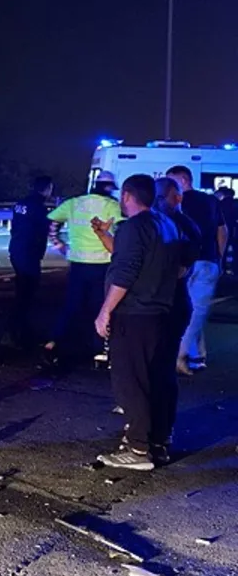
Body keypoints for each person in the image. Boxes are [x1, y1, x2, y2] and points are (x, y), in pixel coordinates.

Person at [93, 174, 188, 470]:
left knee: (130, 381)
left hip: (134, 313)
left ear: (126, 195)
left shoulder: (133, 227)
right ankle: (158, 441)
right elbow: (152, 261)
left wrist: (105, 311)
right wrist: (104, 235)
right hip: (160, 312)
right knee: (157, 378)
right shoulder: (166, 224)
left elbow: (126, 271)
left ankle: (137, 448)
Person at [45, 171, 121, 366]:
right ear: (109, 187)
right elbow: (123, 229)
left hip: (78, 263)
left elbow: (53, 222)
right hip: (102, 265)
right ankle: (98, 349)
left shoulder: (74, 203)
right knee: (100, 307)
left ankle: (54, 341)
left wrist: (58, 243)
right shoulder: (111, 205)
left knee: (71, 305)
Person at [166, 165, 227, 374]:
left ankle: (181, 354)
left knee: (187, 309)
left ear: (183, 180)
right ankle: (195, 354)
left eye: (172, 181)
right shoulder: (211, 201)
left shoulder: (173, 201)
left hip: (182, 262)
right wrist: (219, 258)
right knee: (197, 309)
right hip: (207, 261)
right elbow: (222, 231)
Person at [9, 175, 53, 348]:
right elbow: (42, 233)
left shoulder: (21, 203)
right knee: (27, 294)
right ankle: (20, 331)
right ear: (47, 189)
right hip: (29, 253)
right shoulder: (39, 208)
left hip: (16, 249)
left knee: (22, 290)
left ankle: (18, 329)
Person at [214, 186, 236, 275]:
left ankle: (221, 268)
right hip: (234, 231)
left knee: (221, 250)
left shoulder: (219, 204)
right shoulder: (235, 203)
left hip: (221, 230)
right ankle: (234, 269)